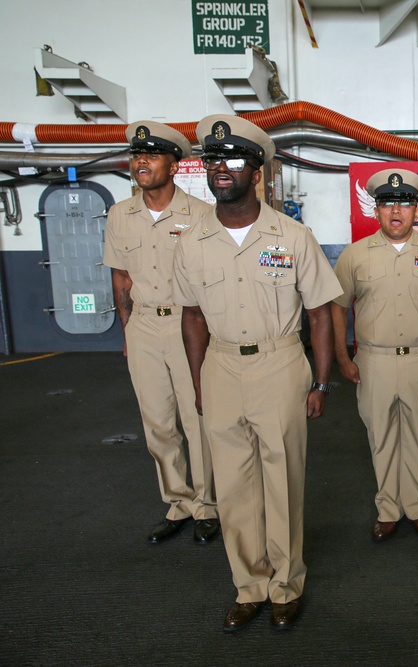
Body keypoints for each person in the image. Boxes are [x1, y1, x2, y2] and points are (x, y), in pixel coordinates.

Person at [174, 115, 342, 631]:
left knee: (282, 480)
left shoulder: (291, 236)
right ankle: (249, 585)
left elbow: (319, 314)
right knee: (233, 485)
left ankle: (286, 584)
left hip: (279, 364)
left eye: (232, 160)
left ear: (257, 170)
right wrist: (201, 382)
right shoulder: (193, 239)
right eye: (213, 161)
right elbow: (192, 316)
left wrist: (319, 382)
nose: (220, 169)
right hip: (221, 365)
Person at [332, 169, 418, 542]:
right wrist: (344, 358)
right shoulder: (355, 255)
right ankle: (388, 508)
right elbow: (337, 308)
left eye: (404, 203)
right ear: (376, 211)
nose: (395, 211)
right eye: (387, 203)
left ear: (416, 210)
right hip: (372, 361)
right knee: (381, 436)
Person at [103, 121, 218, 545]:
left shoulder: (201, 215)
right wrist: (128, 333)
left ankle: (208, 504)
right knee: (157, 421)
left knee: (197, 418)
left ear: (175, 164)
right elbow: (121, 279)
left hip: (188, 326)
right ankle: (178, 502)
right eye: (137, 156)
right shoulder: (120, 214)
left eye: (151, 155)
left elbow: (210, 282)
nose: (141, 162)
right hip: (145, 325)